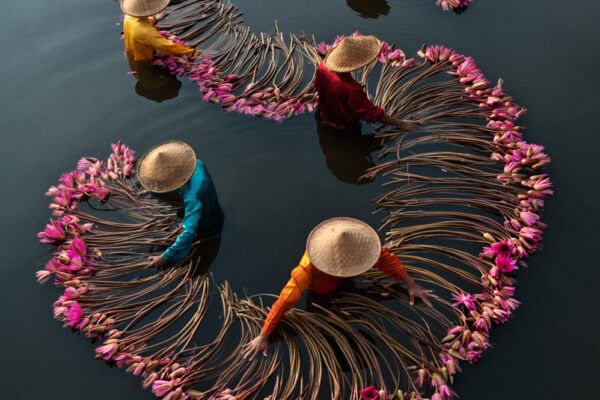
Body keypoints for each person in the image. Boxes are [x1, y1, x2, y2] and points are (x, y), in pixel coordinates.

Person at [242, 217, 432, 359]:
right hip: (321, 291)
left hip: (344, 283)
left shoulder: (358, 244)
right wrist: (263, 335)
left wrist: (411, 285)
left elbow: (385, 259)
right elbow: (284, 301)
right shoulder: (306, 271)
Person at [137, 141, 224, 268]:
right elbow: (180, 183)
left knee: (199, 229)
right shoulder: (197, 164)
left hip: (207, 223)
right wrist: (155, 188)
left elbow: (189, 231)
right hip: (210, 203)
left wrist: (164, 257)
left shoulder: (192, 197)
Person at [315, 35, 420, 132]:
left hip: (324, 114)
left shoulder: (323, 66)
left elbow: (321, 87)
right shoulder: (352, 90)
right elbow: (373, 113)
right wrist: (401, 123)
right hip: (344, 127)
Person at [120, 0, 200, 62]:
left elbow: (139, 22)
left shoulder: (129, 16)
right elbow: (166, 46)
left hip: (131, 50)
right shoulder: (146, 33)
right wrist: (193, 53)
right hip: (143, 59)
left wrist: (154, 19)